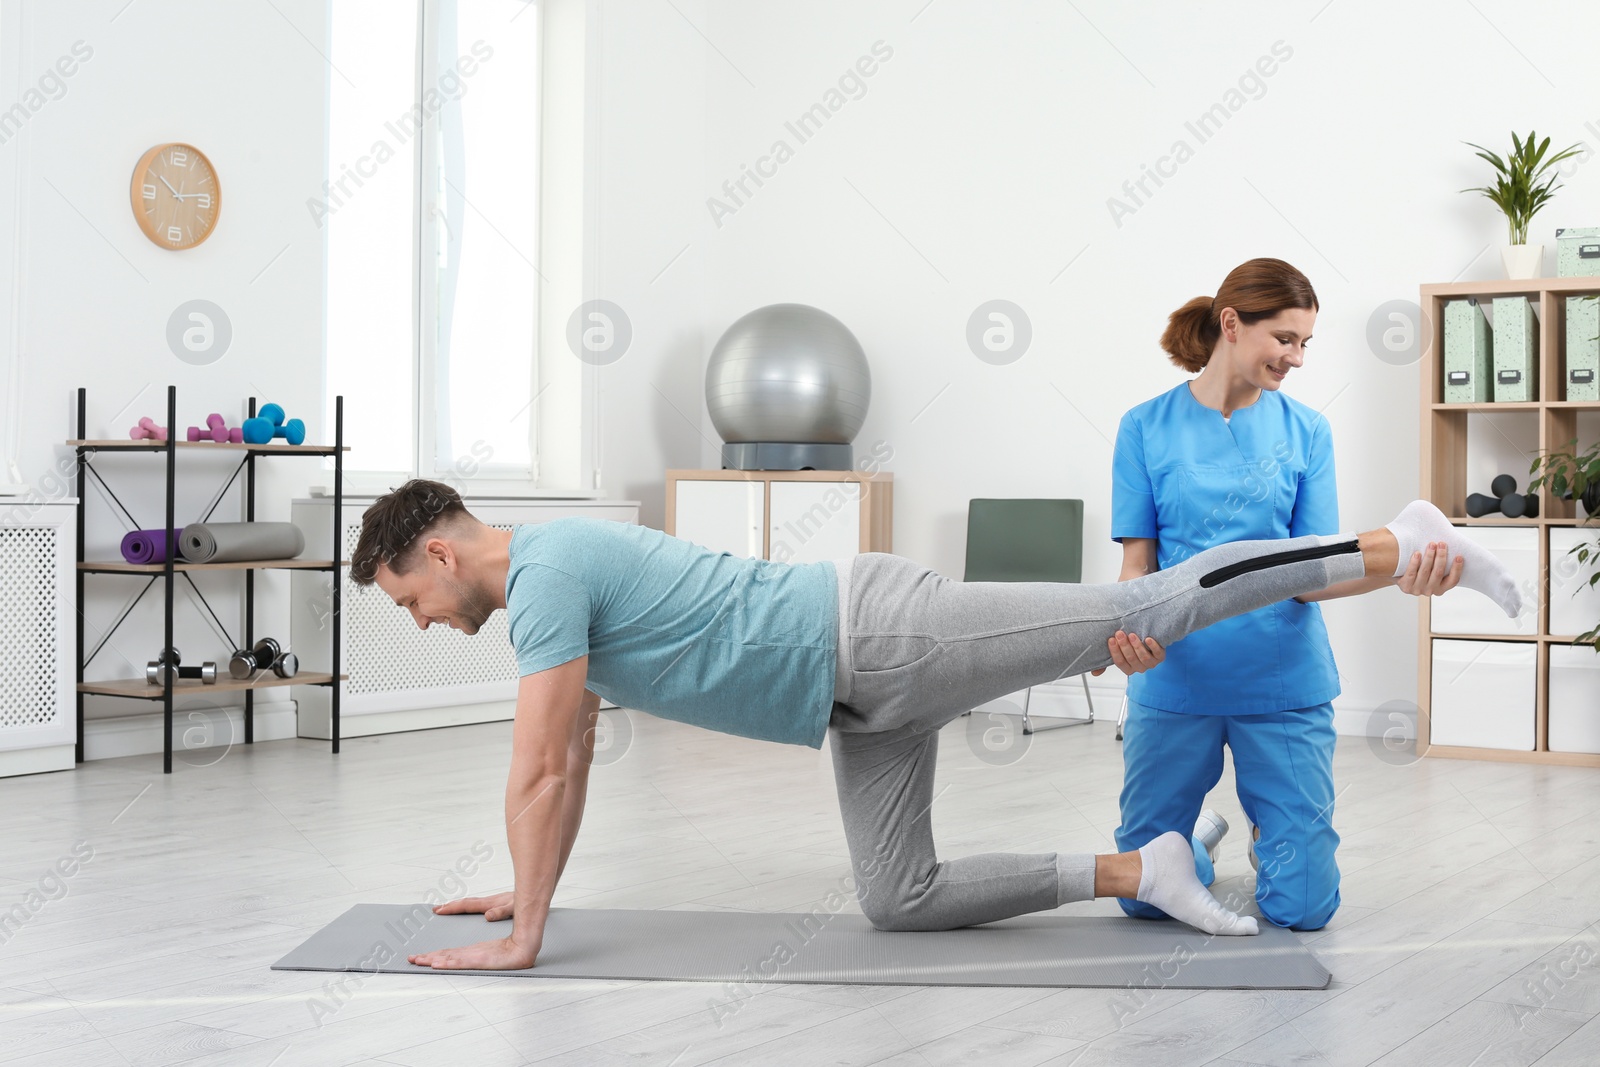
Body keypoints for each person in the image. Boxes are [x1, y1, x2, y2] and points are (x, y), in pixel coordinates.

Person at [348, 478, 1518, 971]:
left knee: (1147, 600)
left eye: (411, 599)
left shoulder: (545, 573)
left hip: (879, 637)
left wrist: (526, 933)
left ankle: (1396, 538)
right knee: (897, 896)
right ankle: (1144, 864)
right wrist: (524, 884)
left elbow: (541, 758)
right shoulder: (549, 581)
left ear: (440, 550)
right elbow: (575, 749)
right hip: (852, 701)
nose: (426, 621)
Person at [1103, 258, 1468, 931]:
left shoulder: (1307, 432)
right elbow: (1138, 567)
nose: (1297, 357)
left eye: (1306, 343)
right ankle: (1194, 842)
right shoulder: (1143, 427)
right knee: (1141, 896)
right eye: (1286, 339)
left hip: (1281, 679)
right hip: (1175, 675)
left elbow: (1312, 575)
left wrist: (1401, 572)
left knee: (1303, 909)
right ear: (1232, 324)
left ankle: (1271, 838)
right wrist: (1118, 634)